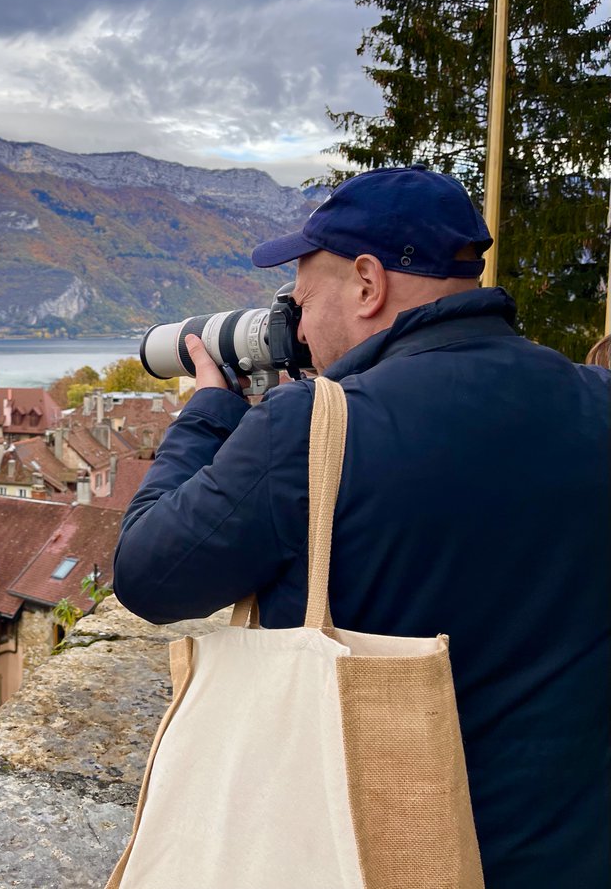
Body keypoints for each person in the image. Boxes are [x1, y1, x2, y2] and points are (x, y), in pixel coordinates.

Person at [114, 165, 610, 889]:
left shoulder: (310, 432)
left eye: (304, 302)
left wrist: (207, 410)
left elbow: (145, 573)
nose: (301, 328)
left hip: (371, 856)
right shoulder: (595, 401)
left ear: (369, 285)